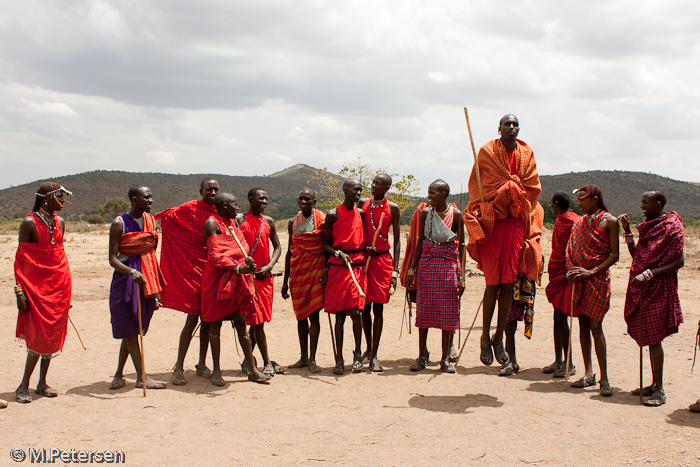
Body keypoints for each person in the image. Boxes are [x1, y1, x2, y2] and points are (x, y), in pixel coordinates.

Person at [463, 114, 543, 371]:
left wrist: (514, 189)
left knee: (508, 282)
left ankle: (499, 338)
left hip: (515, 223)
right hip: (493, 223)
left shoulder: (526, 152)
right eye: (507, 124)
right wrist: (503, 191)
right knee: (492, 283)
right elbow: (478, 186)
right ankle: (485, 336)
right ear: (499, 129)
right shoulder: (487, 151)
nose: (511, 128)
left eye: (515, 124)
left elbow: (532, 187)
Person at [619, 191, 684, 406]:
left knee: (655, 339)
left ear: (658, 203)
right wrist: (627, 231)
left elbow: (678, 263)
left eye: (645, 203)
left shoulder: (672, 226)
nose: (642, 207)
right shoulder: (648, 225)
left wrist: (648, 274)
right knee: (649, 335)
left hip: (659, 287)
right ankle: (654, 384)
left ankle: (660, 390)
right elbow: (637, 255)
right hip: (643, 286)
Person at [201, 193, 271, 384]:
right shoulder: (211, 223)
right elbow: (216, 255)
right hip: (217, 280)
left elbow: (242, 249)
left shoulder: (233, 223)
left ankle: (252, 369)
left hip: (237, 279)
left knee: (241, 324)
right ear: (224, 206)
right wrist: (239, 267)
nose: (238, 208)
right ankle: (216, 371)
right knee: (215, 326)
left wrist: (243, 265)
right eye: (234, 205)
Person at [156, 178, 219, 386]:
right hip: (192, 270)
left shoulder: (220, 211)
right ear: (201, 190)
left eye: (215, 189)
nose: (212, 192)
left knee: (208, 320)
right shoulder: (190, 208)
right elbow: (167, 218)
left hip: (211, 271)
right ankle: (179, 367)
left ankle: (201, 364)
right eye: (208, 189)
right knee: (192, 319)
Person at [14, 183, 73, 403]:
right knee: (38, 335)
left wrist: (65, 290)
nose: (63, 201)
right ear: (46, 198)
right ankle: (23, 385)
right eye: (59, 196)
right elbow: (22, 261)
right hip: (35, 289)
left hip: (59, 286)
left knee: (52, 335)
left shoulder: (61, 223)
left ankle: (42, 383)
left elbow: (58, 257)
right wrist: (20, 290)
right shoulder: (29, 223)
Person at [108, 186, 167, 390]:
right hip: (127, 281)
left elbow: (150, 252)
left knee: (134, 328)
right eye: (147, 197)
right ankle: (142, 378)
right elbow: (112, 259)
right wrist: (132, 272)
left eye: (151, 196)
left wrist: (155, 286)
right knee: (130, 328)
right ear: (135, 199)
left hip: (147, 278)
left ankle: (118, 374)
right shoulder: (119, 223)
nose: (151, 200)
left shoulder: (150, 221)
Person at [407, 180, 465, 373]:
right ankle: (422, 356)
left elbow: (462, 247)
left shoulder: (456, 215)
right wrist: (411, 270)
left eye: (432, 193)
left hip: (448, 267)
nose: (429, 196)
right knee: (423, 313)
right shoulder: (426, 213)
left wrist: (462, 277)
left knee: (448, 314)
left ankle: (445, 359)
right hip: (427, 266)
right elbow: (420, 243)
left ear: (444, 194)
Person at [566, 185, 619, 396]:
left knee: (596, 326)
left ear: (595, 199)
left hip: (597, 280)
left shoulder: (611, 221)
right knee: (583, 325)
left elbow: (615, 255)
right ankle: (588, 373)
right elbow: (571, 248)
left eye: (583, 199)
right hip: (580, 279)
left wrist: (591, 271)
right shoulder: (579, 223)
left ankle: (604, 378)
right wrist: (572, 269)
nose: (579, 203)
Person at [323, 179, 367, 375]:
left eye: (360, 190)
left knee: (357, 313)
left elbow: (362, 240)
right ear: (345, 190)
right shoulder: (333, 214)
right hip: (338, 267)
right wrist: (338, 253)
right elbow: (325, 245)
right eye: (354, 190)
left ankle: (357, 355)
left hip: (357, 267)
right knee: (340, 316)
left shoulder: (362, 213)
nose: (358, 193)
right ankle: (339, 359)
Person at [238, 187, 283, 376]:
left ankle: (247, 361)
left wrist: (269, 266)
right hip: (247, 279)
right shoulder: (240, 220)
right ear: (250, 199)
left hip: (265, 279)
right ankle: (266, 362)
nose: (264, 202)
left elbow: (278, 247)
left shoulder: (269, 221)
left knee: (259, 321)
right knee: (257, 322)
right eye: (260, 199)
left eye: (266, 199)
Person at [358, 174, 401, 372]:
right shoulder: (362, 204)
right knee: (364, 307)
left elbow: (398, 240)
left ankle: (375, 355)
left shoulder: (393, 208)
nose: (373, 186)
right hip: (364, 260)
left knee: (379, 308)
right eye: (373, 182)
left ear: (387, 187)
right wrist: (363, 248)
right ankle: (368, 347)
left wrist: (395, 271)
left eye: (378, 184)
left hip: (383, 262)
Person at [282, 189, 326, 373]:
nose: (304, 201)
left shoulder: (322, 220)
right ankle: (302, 357)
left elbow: (326, 246)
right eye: (301, 198)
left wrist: (327, 270)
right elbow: (289, 251)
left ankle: (313, 359)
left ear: (314, 201)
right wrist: (285, 281)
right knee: (300, 316)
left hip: (316, 272)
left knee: (314, 315)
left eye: (307, 199)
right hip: (298, 274)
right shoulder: (293, 222)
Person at [543, 192, 580, 377]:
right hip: (557, 273)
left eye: (551, 203)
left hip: (568, 274)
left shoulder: (573, 222)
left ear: (556, 204)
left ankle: (570, 363)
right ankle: (559, 360)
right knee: (557, 317)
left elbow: (576, 248)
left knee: (561, 317)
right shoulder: (561, 220)